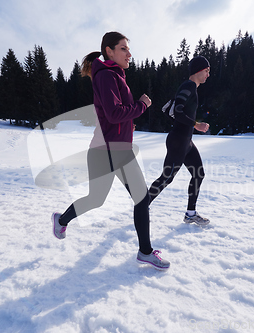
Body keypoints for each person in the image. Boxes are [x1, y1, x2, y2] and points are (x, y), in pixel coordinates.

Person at [51, 32, 170, 270]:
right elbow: (115, 113)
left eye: (128, 49)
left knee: (97, 199)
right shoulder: (106, 76)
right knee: (140, 198)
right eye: (123, 48)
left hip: (107, 149)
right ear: (109, 51)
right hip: (111, 150)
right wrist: (141, 106)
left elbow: (113, 114)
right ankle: (145, 252)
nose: (129, 53)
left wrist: (129, 120)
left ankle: (61, 220)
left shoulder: (112, 75)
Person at [149, 56, 211, 225]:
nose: (208, 74)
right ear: (198, 70)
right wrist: (196, 125)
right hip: (178, 141)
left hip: (186, 142)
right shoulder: (189, 86)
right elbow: (178, 111)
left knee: (199, 174)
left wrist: (193, 127)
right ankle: (142, 205)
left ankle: (191, 213)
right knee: (166, 178)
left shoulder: (192, 88)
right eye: (206, 71)